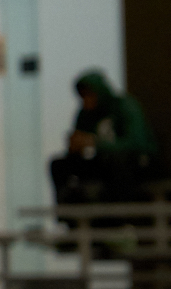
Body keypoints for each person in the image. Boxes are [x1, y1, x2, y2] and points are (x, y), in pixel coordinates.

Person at [50, 69, 159, 205]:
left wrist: (96, 143)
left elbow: (137, 143)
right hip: (103, 162)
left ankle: (122, 210)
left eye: (89, 94)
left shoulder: (125, 106)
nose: (87, 100)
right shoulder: (85, 114)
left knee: (116, 161)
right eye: (83, 96)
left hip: (133, 162)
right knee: (59, 165)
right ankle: (68, 210)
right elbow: (80, 140)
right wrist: (75, 147)